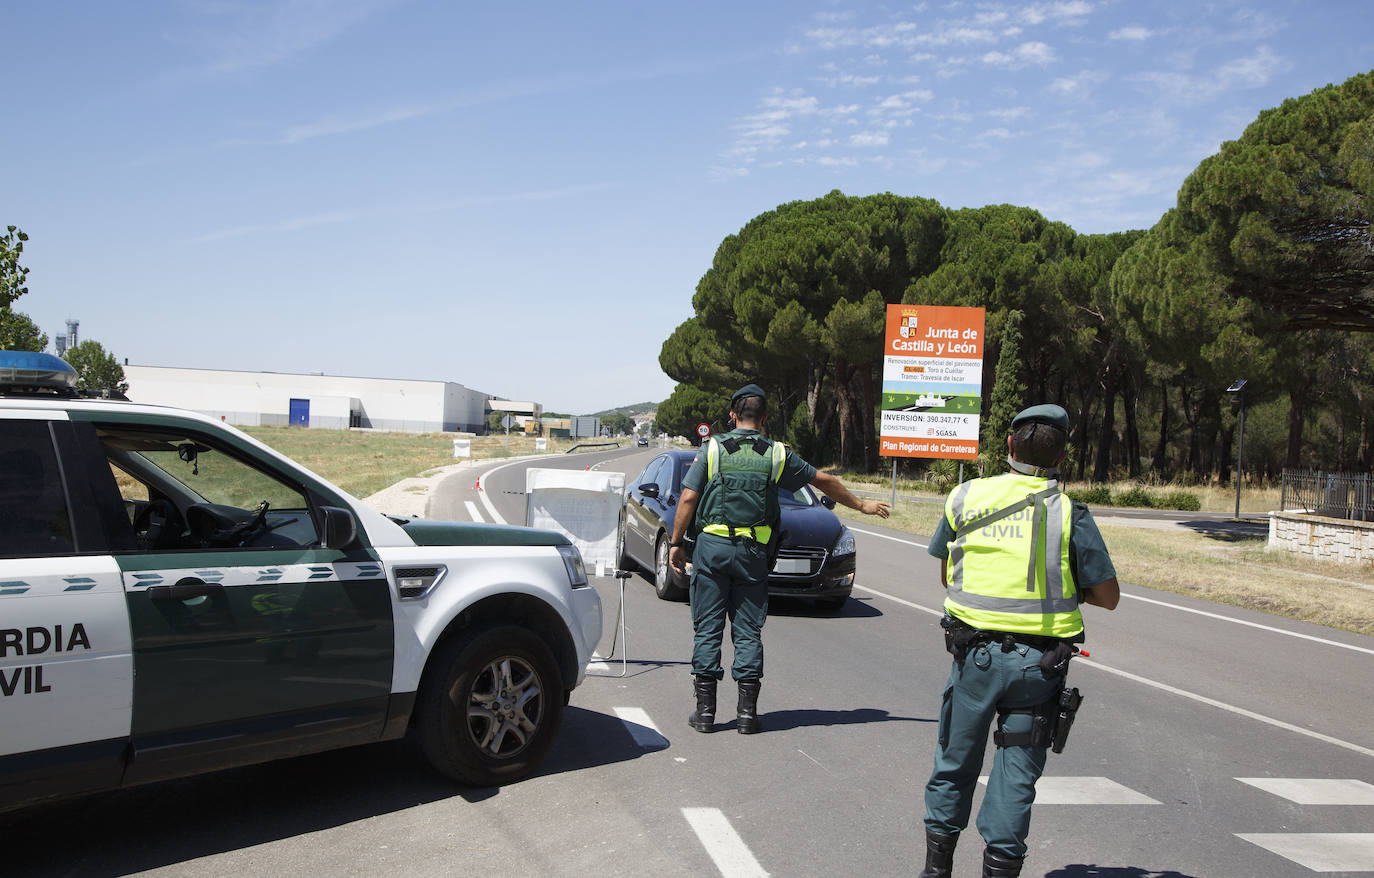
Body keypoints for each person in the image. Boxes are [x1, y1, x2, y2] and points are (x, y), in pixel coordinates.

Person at [919, 404, 1120, 878]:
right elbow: (1108, 597)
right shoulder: (1071, 513)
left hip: (975, 658)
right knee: (1015, 777)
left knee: (954, 761)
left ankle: (935, 870)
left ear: (1008, 446)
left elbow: (948, 573)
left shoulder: (965, 497)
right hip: (1039, 668)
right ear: (1063, 457)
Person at [667, 383, 890, 734]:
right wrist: (863, 505)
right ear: (765, 418)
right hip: (753, 554)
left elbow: (687, 500)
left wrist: (677, 543)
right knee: (747, 631)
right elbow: (825, 481)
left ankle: (706, 713)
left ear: (732, 415)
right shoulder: (776, 454)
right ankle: (746, 715)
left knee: (708, 629)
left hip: (712, 552)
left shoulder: (712, 449)